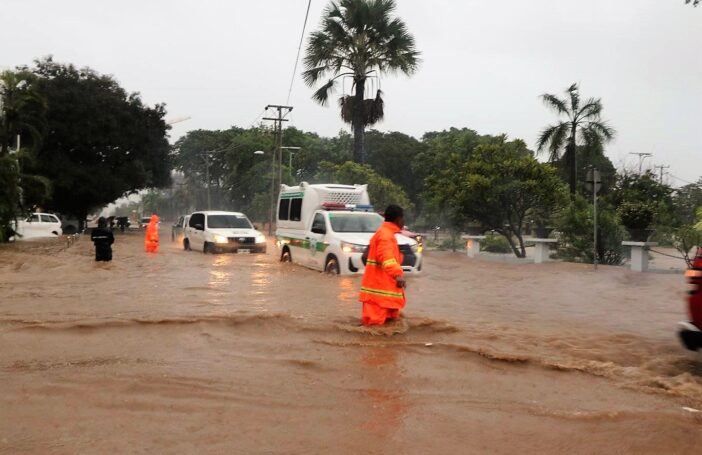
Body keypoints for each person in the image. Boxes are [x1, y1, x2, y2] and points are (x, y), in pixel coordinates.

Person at [359, 205, 407, 326]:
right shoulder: (386, 236)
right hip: (380, 299)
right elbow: (387, 258)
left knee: (382, 334)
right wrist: (398, 275)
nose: (404, 221)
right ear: (398, 219)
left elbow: (365, 257)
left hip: (381, 297)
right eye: (403, 218)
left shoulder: (380, 233)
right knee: (375, 336)